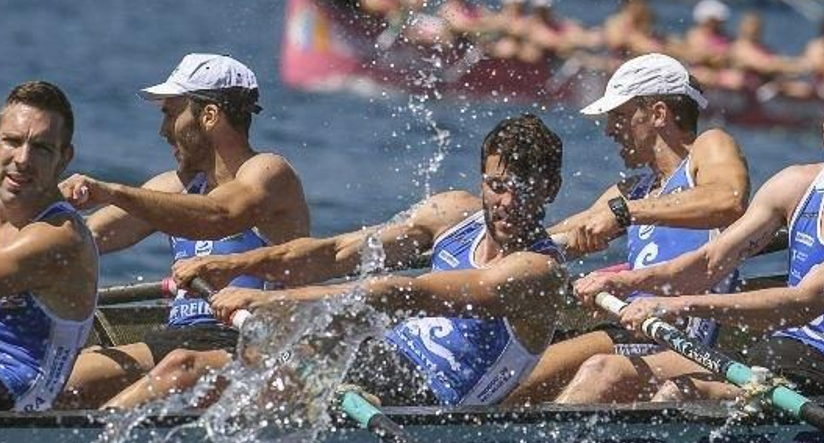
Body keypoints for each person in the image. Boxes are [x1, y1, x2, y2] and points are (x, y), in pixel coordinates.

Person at [568, 76, 824, 401]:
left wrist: (676, 304)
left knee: (679, 394)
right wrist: (622, 282)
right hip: (774, 352)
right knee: (603, 372)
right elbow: (710, 262)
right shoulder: (794, 186)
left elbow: (801, 304)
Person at [202, 116, 567, 408]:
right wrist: (233, 265)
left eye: (526, 187)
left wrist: (267, 301)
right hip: (378, 356)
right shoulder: (453, 212)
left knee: (209, 374)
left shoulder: (538, 271)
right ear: (482, 181)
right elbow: (335, 253)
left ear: (550, 189)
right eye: (498, 186)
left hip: (431, 400)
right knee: (203, 366)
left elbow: (403, 294)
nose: (508, 201)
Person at [59, 55, 310, 409]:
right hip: (183, 337)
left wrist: (111, 192)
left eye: (170, 114)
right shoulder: (176, 188)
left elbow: (221, 214)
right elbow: (79, 239)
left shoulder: (269, 172)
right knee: (71, 377)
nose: (163, 131)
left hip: (260, 346)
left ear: (208, 116)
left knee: (180, 368)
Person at [514, 54, 749, 402]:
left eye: (620, 116)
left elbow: (728, 200)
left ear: (658, 114)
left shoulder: (708, 149)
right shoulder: (633, 190)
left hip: (679, 342)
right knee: (516, 358)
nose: (610, 129)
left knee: (522, 377)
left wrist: (625, 213)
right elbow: (558, 240)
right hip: (633, 329)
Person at [0, 82, 98, 411]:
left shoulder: (60, 237)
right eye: (13, 141)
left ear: (65, 158)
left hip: (15, 390)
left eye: (42, 149)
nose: (23, 159)